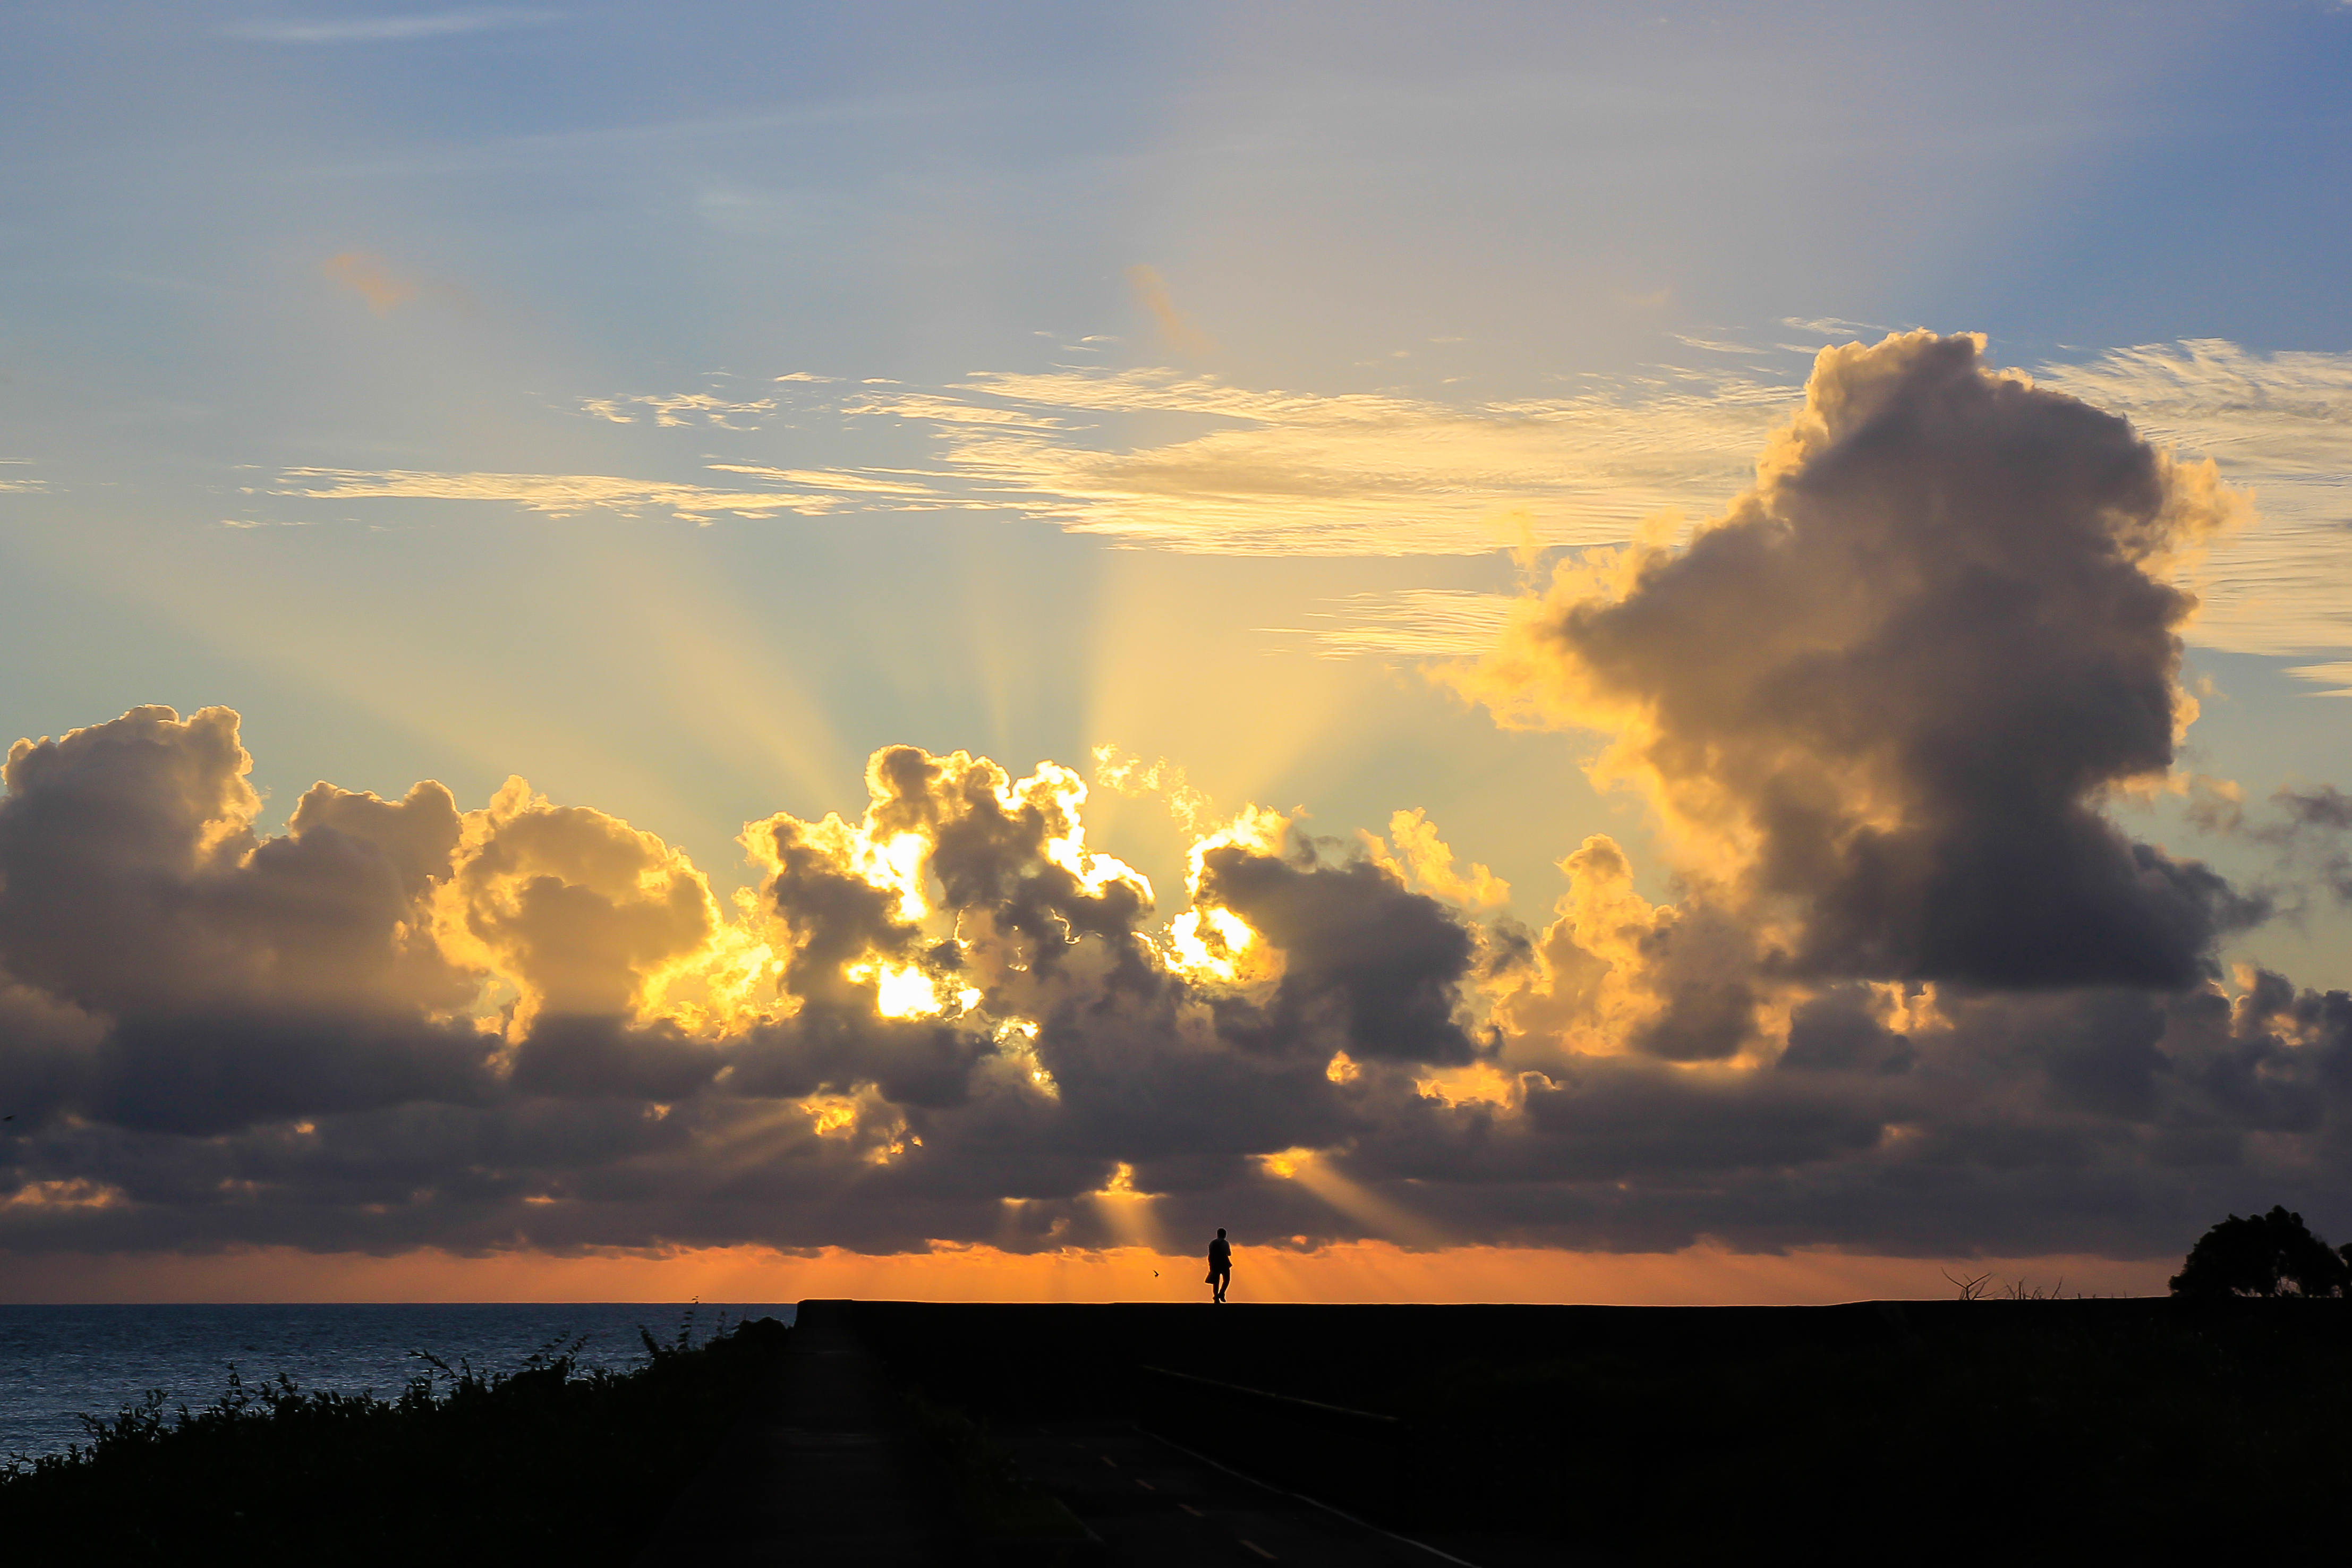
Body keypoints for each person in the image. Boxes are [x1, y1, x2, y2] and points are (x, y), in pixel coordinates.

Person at [1206, 1228, 1232, 1303]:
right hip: (1224, 1264)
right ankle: (1221, 1293)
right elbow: (1229, 1253)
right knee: (1227, 1280)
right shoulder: (1225, 1243)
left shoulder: (1212, 1243)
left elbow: (1210, 1253)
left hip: (1215, 1264)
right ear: (1224, 1235)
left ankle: (1216, 1298)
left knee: (1216, 1282)